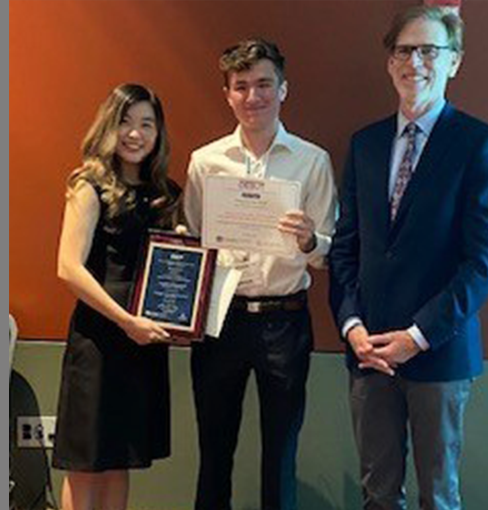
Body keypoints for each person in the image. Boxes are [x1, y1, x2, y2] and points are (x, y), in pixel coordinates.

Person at [328, 6, 488, 510]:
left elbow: (481, 264)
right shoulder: (365, 144)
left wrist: (417, 336)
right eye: (405, 50)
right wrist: (351, 326)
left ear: (455, 62)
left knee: (438, 496)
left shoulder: (481, 144)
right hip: (369, 354)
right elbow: (346, 248)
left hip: (439, 351)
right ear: (390, 63)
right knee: (377, 494)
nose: (416, 62)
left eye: (430, 50)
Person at [182, 39, 337, 510]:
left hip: (284, 321)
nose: (254, 97)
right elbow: (191, 240)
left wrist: (311, 239)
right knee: (213, 452)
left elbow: (326, 253)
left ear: (284, 89)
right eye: (242, 86)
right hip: (220, 321)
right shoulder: (205, 162)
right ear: (228, 93)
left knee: (280, 454)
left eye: (264, 84)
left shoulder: (313, 161)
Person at [52, 83, 181, 510]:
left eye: (147, 124)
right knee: (87, 461)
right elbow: (68, 267)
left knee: (120, 459)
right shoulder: (89, 184)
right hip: (99, 340)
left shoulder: (166, 194)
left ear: (158, 133)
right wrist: (127, 321)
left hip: (141, 345)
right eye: (126, 122)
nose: (135, 133)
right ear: (109, 125)